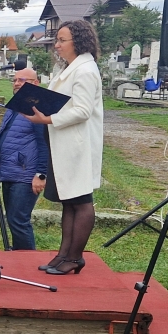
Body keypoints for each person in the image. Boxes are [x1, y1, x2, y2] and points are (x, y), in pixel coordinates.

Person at [23, 20, 104, 275]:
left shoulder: (86, 70)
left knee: (81, 201)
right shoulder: (69, 68)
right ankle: (63, 254)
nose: (56, 45)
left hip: (77, 145)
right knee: (69, 202)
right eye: (57, 40)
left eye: (61, 40)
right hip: (63, 143)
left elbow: (82, 111)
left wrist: (47, 119)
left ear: (78, 41)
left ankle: (75, 257)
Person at [0, 67, 50, 250]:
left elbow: (44, 143)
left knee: (19, 220)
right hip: (9, 171)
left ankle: (27, 260)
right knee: (12, 218)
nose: (17, 83)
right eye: (15, 80)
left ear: (35, 83)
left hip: (25, 173)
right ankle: (18, 257)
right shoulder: (16, 104)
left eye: (23, 80)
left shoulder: (38, 108)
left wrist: (41, 173)